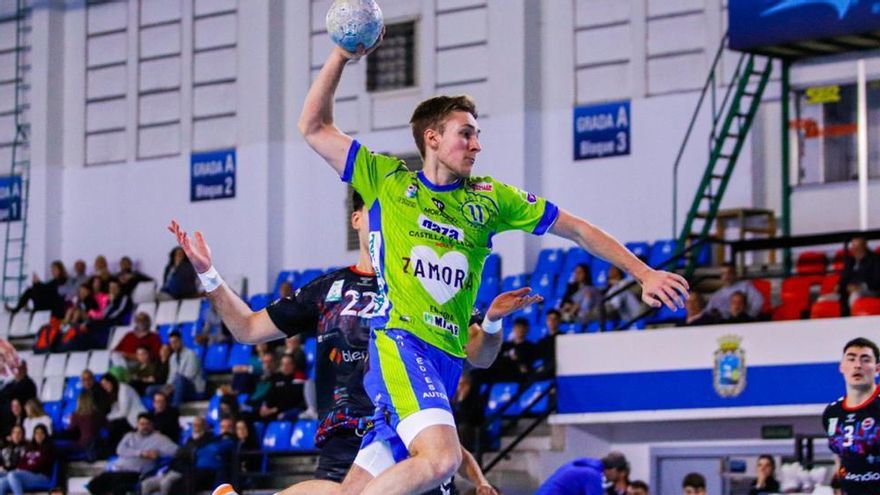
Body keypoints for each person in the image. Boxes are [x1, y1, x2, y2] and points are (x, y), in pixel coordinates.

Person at [171, 190, 529, 494]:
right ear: (357, 219)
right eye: (380, 213)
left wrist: (493, 323)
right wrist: (208, 274)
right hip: (346, 435)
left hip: (410, 428)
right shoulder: (327, 290)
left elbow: (480, 357)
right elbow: (248, 329)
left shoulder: (432, 288)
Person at [823, 337, 880, 495]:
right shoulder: (832, 413)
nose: (857, 365)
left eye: (865, 359)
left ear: (877, 369)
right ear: (842, 367)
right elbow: (839, 457)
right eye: (851, 359)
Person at [85, 413, 178, 495]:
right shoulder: (129, 436)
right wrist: (141, 453)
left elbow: (176, 451)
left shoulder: (159, 439)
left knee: (118, 487)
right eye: (141, 424)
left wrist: (159, 453)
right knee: (93, 485)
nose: (144, 426)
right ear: (137, 425)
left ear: (152, 425)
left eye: (147, 424)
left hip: (135, 473)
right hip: (117, 469)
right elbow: (120, 450)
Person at [140, 416, 214, 495]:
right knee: (146, 484)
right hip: (173, 469)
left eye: (199, 425)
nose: (196, 427)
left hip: (186, 472)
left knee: (165, 483)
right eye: (194, 425)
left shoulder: (208, 439)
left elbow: (193, 458)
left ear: (204, 426)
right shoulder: (189, 439)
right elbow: (178, 454)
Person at [147, 330, 204, 407]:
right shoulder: (172, 357)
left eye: (175, 341)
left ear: (181, 341)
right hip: (177, 388)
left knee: (180, 379)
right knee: (150, 389)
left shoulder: (191, 354)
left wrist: (172, 387)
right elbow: (171, 376)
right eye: (171, 343)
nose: (173, 345)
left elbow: (189, 375)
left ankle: (174, 409)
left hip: (193, 389)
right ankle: (162, 407)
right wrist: (168, 386)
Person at [0, 424, 55, 495]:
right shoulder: (30, 448)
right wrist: (21, 469)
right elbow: (22, 462)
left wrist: (22, 469)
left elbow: (39, 465)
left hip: (41, 476)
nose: (39, 435)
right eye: (36, 433)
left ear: (45, 435)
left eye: (41, 433)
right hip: (28, 475)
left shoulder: (48, 448)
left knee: (12, 475)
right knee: (1, 482)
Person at [101, 375, 146, 450]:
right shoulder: (113, 393)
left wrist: (107, 418)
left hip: (135, 419)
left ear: (112, 382)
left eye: (106, 383)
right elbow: (114, 411)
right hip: (126, 419)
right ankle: (111, 450)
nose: (105, 387)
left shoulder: (124, 389)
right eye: (103, 385)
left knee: (115, 425)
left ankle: (113, 450)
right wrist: (105, 418)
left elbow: (123, 412)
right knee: (111, 424)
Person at [839, 237, 880, 313]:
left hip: (869, 289)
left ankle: (854, 321)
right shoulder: (850, 261)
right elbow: (844, 278)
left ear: (863, 246)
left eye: (856, 246)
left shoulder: (875, 259)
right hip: (848, 290)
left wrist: (860, 287)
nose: (853, 248)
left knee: (854, 296)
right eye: (853, 246)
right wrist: (840, 286)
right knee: (822, 299)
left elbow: (877, 280)